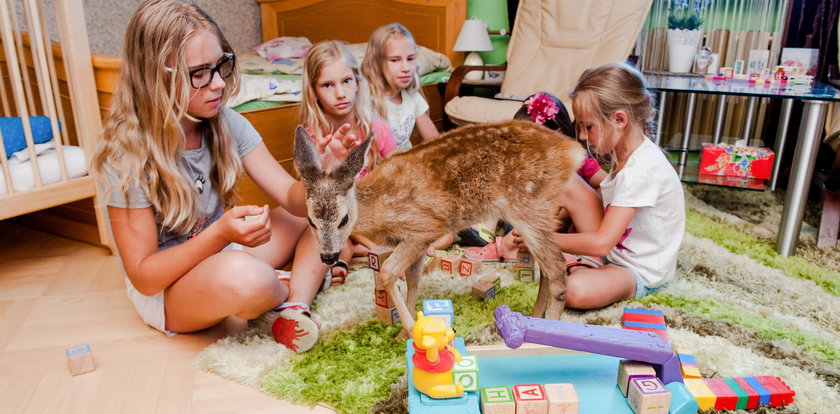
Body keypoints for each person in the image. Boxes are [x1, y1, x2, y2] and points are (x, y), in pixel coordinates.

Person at [90, 0, 327, 354]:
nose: (218, 83)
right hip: (169, 292)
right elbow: (145, 277)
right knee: (246, 277)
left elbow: (292, 197)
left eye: (221, 65)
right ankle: (281, 286)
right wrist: (220, 234)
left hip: (222, 254)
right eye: (199, 73)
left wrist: (320, 172)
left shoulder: (226, 123)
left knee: (316, 212)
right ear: (156, 76)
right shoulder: (126, 155)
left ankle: (295, 303)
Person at [510, 62, 686, 308]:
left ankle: (585, 266)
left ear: (619, 119)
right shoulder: (624, 151)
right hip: (615, 248)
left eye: (588, 126)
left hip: (635, 267)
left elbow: (603, 242)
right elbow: (605, 198)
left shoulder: (642, 170)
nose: (581, 136)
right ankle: (583, 263)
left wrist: (543, 238)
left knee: (575, 290)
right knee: (565, 178)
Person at [464, 92, 607, 262]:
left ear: (558, 134)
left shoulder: (579, 160)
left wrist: (568, 215)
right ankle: (485, 228)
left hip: (554, 225)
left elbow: (606, 185)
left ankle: (506, 244)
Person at [299, 40, 397, 268]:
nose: (340, 93)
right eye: (327, 85)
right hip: (339, 219)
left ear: (358, 83)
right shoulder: (315, 137)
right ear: (313, 91)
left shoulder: (377, 128)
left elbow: (399, 172)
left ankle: (358, 251)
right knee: (335, 231)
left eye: (346, 81)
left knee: (444, 234)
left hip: (375, 209)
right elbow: (315, 202)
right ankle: (370, 251)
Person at [362, 23, 457, 252]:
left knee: (448, 235)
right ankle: (375, 247)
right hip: (378, 185)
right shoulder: (368, 103)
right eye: (395, 60)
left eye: (410, 59)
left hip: (407, 180)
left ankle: (397, 246)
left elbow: (434, 142)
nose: (405, 67)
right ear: (377, 63)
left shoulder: (412, 97)